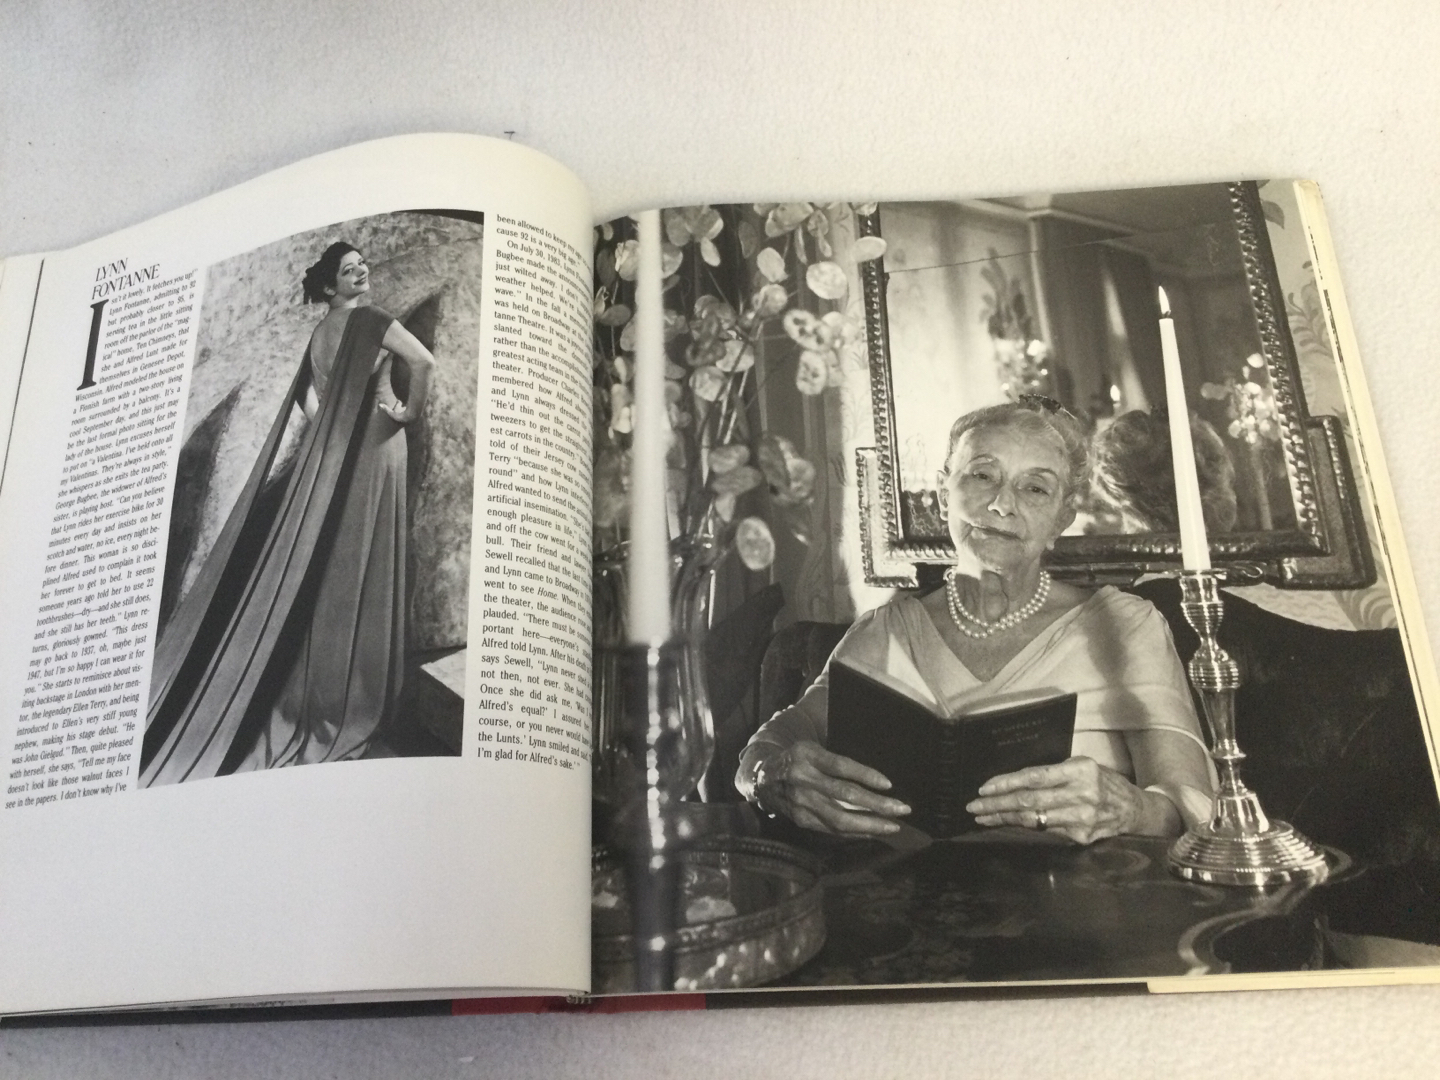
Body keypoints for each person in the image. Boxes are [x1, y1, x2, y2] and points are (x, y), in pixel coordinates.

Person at [736, 397, 1214, 844]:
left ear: (1062, 519)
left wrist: (1131, 810)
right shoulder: (885, 630)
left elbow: (1192, 805)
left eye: (1035, 488)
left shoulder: (1124, 627)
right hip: (900, 892)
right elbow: (778, 737)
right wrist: (768, 777)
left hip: (1073, 895)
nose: (1003, 504)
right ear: (944, 491)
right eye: (983, 475)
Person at [140, 242, 434, 784]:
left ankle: (321, 688)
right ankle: (356, 696)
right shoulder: (371, 319)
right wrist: (407, 412)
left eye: (362, 265)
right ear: (329, 286)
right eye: (348, 270)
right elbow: (422, 361)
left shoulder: (319, 334)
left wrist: (329, 428)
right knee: (366, 563)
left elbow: (305, 396)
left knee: (340, 564)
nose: (361, 272)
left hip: (337, 453)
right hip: (376, 444)